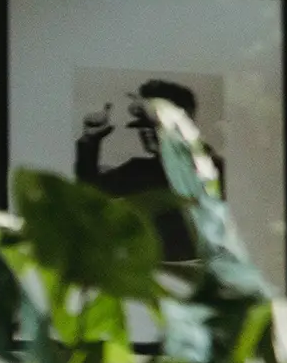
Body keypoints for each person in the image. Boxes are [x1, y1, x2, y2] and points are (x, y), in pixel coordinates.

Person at [76, 80, 223, 262]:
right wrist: (90, 140)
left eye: (155, 124)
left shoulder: (218, 172)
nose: (145, 132)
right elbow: (88, 196)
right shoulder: (138, 171)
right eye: (143, 125)